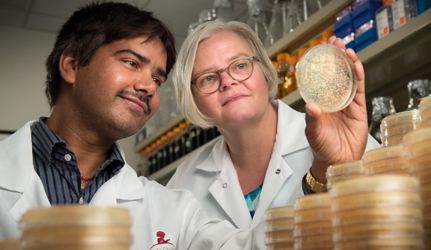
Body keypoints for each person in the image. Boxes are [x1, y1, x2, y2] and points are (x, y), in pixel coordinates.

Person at [0, 3, 256, 249]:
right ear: (72, 66)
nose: (149, 87)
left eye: (157, 78)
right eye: (132, 63)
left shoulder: (174, 209)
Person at [167, 20, 379, 246]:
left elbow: (398, 224)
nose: (227, 81)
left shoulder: (339, 136)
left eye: (240, 65)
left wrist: (335, 171)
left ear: (266, 73)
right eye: (208, 78)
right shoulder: (184, 182)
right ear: (194, 100)